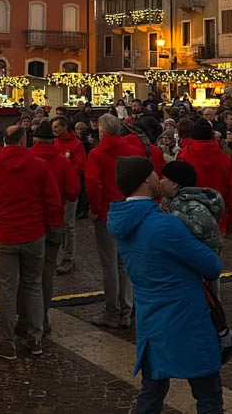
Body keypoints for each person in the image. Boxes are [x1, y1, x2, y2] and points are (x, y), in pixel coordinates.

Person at [108, 156, 225, 414]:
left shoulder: (120, 222)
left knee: (152, 392)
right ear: (144, 181)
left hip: (151, 320)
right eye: (153, 173)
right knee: (209, 394)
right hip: (186, 318)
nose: (157, 177)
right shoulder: (164, 224)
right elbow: (212, 266)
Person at [0, 124, 62, 359]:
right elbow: (53, 201)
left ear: (4, 141)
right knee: (33, 285)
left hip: (5, 234)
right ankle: (35, 337)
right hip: (33, 233)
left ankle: (8, 341)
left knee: (7, 288)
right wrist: (45, 227)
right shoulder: (39, 166)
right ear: (24, 140)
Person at [159, 160, 232, 359]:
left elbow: (200, 227)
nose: (160, 182)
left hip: (202, 260)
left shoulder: (188, 205)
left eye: (164, 179)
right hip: (201, 259)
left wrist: (174, 218)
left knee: (208, 300)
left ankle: (221, 336)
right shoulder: (176, 201)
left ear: (175, 185)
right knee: (208, 298)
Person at [85, 113, 140, 328]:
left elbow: (93, 184)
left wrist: (95, 209)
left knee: (109, 264)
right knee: (124, 264)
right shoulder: (131, 151)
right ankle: (127, 309)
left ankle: (112, 311)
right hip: (129, 210)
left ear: (101, 132)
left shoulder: (98, 154)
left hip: (108, 212)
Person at [28, 119, 81, 333]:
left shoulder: (28, 158)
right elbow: (74, 192)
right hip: (53, 221)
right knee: (46, 274)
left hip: (30, 223)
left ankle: (27, 319)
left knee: (28, 275)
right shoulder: (61, 161)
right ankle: (43, 318)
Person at [177, 119, 232, 236]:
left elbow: (177, 187)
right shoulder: (224, 159)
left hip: (189, 215)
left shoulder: (184, 155)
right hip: (217, 216)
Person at [51, 115, 85, 275]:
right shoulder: (54, 143)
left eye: (57, 126)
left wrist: (65, 174)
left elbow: (80, 166)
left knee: (68, 225)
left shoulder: (76, 144)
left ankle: (68, 258)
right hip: (55, 189)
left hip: (69, 189)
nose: (54, 129)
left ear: (65, 127)